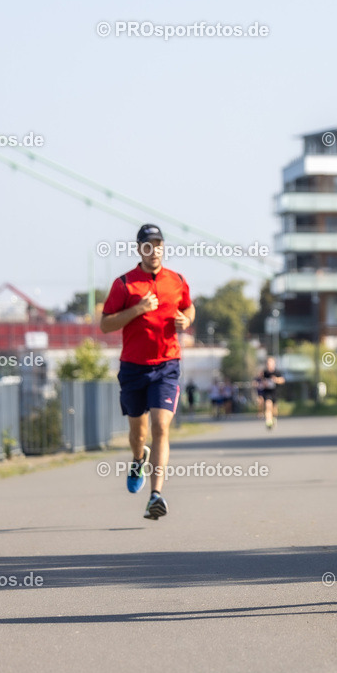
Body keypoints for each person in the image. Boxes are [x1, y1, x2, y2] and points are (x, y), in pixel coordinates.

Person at [100, 223, 194, 520]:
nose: (154, 250)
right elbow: (105, 324)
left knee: (161, 427)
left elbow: (189, 308)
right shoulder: (124, 284)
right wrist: (138, 309)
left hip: (167, 365)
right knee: (138, 434)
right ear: (139, 249)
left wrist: (186, 321)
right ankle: (138, 459)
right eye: (148, 245)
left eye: (159, 244)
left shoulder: (177, 280)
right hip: (133, 368)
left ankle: (156, 495)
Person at [259, 357, 285, 429]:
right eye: (268, 363)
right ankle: (268, 421)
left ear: (274, 364)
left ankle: (273, 418)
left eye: (270, 363)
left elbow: (282, 380)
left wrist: (276, 380)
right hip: (267, 392)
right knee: (268, 405)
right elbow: (260, 381)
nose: (269, 365)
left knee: (274, 409)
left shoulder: (277, 372)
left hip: (275, 392)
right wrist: (264, 383)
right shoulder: (264, 373)